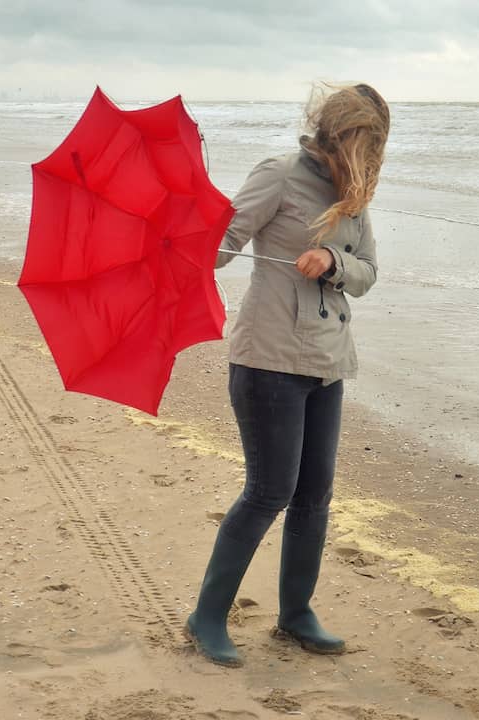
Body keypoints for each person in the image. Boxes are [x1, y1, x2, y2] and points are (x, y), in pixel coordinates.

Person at [185, 83, 389, 667]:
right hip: (268, 358)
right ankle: (206, 617)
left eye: (375, 146)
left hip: (328, 362)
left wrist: (333, 262)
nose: (369, 156)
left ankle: (296, 614)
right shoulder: (278, 174)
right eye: (362, 142)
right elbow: (221, 247)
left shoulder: (354, 194)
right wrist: (188, 223)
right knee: (269, 491)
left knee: (313, 497)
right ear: (336, 132)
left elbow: (369, 272)